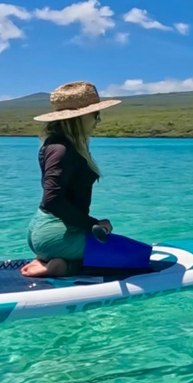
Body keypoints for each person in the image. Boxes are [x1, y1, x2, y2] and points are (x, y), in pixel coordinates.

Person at [20, 81, 122, 278]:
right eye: (96, 114)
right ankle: (63, 267)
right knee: (131, 257)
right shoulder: (62, 150)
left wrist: (95, 224)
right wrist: (93, 225)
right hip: (55, 234)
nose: (98, 120)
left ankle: (53, 258)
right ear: (81, 117)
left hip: (46, 230)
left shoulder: (57, 145)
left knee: (107, 229)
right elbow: (52, 200)